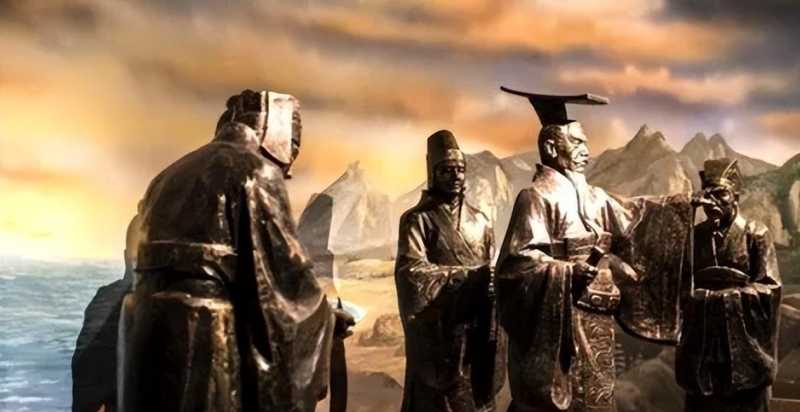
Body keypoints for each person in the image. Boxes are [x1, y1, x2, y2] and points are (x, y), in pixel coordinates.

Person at [118, 89, 353, 412]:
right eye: (294, 144)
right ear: (275, 133)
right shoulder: (254, 171)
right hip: (204, 336)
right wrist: (325, 319)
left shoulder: (165, 177)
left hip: (145, 337)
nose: (289, 165)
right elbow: (283, 281)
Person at [496, 88, 695, 412]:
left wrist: (685, 204)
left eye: (585, 143)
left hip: (597, 319)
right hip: (560, 323)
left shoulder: (594, 197)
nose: (585, 151)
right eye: (576, 143)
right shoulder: (535, 197)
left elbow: (635, 214)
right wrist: (566, 271)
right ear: (551, 147)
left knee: (597, 398)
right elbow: (516, 265)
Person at [395, 129, 507, 412]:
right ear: (433, 173)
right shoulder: (417, 220)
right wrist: (464, 277)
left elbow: (490, 268)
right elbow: (410, 271)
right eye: (446, 170)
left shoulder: (481, 221)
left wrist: (490, 283)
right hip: (439, 333)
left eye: (460, 169)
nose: (455, 176)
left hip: (477, 329)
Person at [676, 158, 781, 412]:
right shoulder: (695, 236)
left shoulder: (756, 233)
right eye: (708, 194)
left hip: (745, 347)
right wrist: (694, 298)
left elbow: (770, 288)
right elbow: (681, 285)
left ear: (735, 197)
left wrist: (722, 298)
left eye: (721, 194)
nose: (713, 201)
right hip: (703, 344)